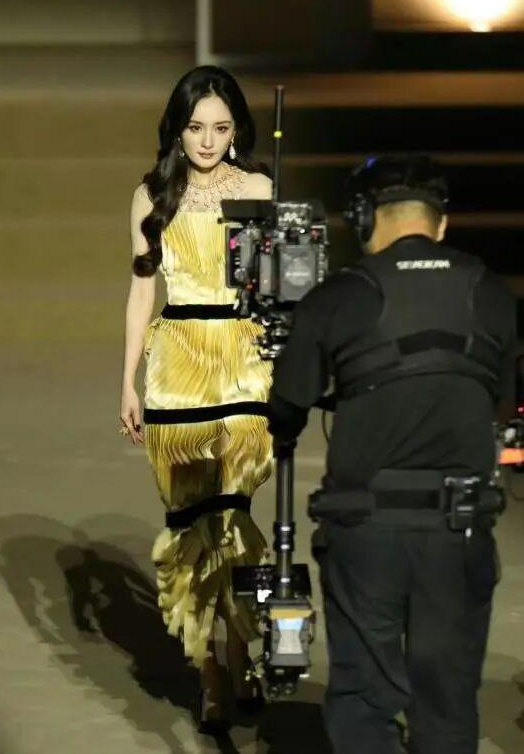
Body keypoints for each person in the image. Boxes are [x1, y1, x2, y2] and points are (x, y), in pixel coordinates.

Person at [268, 155, 517, 754]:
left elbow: (286, 410)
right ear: (441, 223)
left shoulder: (339, 294)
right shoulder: (491, 292)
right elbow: (501, 404)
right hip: (457, 531)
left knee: (364, 700)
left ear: (364, 218)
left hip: (366, 532)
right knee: (447, 704)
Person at [119, 65, 273, 734]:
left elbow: (270, 284)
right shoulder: (152, 194)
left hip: (243, 363)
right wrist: (126, 379)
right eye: (195, 127)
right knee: (190, 523)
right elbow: (141, 289)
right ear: (177, 131)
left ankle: (242, 652)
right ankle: (208, 669)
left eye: (220, 128)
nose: (207, 141)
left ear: (236, 131)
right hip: (177, 365)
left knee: (236, 515)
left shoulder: (258, 188)